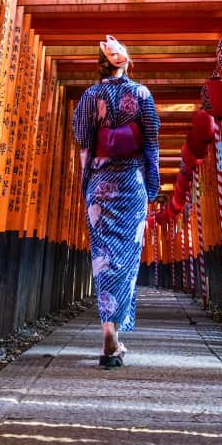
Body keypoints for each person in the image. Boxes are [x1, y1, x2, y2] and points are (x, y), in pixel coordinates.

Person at [72, 35, 160, 368]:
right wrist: (151, 186)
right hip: (132, 183)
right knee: (127, 258)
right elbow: (151, 141)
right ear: (127, 61)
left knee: (103, 256)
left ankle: (107, 327)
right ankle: (116, 332)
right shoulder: (142, 94)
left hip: (101, 183)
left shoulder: (90, 96)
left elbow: (82, 138)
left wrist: (88, 179)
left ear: (102, 64)